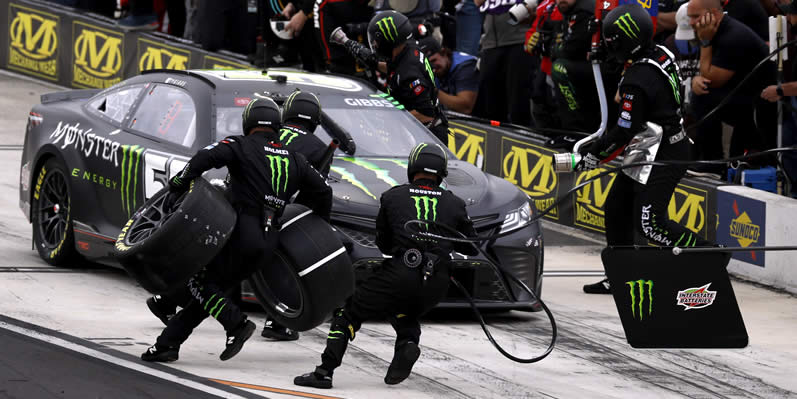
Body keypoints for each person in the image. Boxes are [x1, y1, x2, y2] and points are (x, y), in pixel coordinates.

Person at [141, 98, 332, 362]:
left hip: (238, 233)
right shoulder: (295, 159)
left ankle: (236, 325)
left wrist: (179, 181)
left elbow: (203, 157)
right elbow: (324, 190)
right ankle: (166, 345)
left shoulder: (239, 145)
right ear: (276, 126)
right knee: (214, 291)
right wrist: (317, 225)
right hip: (269, 243)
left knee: (200, 283)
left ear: (248, 122)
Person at [293, 143, 478, 388]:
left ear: (413, 168)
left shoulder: (393, 196)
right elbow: (470, 247)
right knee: (406, 309)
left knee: (349, 312)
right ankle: (408, 344)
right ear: (441, 172)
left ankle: (324, 372)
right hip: (437, 283)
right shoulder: (455, 203)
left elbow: (385, 244)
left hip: (401, 272)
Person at [580, 4, 711, 294]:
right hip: (648, 147)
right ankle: (621, 274)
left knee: (650, 223)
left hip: (665, 153)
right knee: (616, 208)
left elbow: (623, 131)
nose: (606, 46)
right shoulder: (660, 52)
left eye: (611, 41)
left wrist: (592, 155)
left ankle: (709, 256)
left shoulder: (637, 80)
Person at [329, 11, 450, 142]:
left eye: (376, 42)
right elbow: (388, 66)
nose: (375, 45)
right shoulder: (407, 49)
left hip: (428, 136)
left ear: (388, 40)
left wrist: (389, 117)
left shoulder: (410, 74)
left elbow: (426, 114)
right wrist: (349, 44)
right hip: (417, 132)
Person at [687, 0, 775, 177]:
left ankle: (713, 163)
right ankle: (713, 161)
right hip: (744, 97)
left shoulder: (731, 36)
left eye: (695, 17)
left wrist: (705, 43)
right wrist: (697, 79)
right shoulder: (714, 30)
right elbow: (704, 74)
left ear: (715, 13)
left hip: (764, 107)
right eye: (690, 17)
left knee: (703, 96)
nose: (691, 23)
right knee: (700, 92)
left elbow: (712, 80)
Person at [473, 0, 535, 126]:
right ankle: (495, 137)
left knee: (518, 100)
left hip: (518, 40)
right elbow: (477, 2)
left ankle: (522, 137)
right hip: (491, 43)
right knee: (491, 101)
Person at [418, 37, 480, 115]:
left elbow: (466, 107)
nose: (432, 67)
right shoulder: (438, 69)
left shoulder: (466, 67)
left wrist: (433, 91)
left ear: (444, 53)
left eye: (433, 61)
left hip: (482, 121)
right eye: (427, 64)